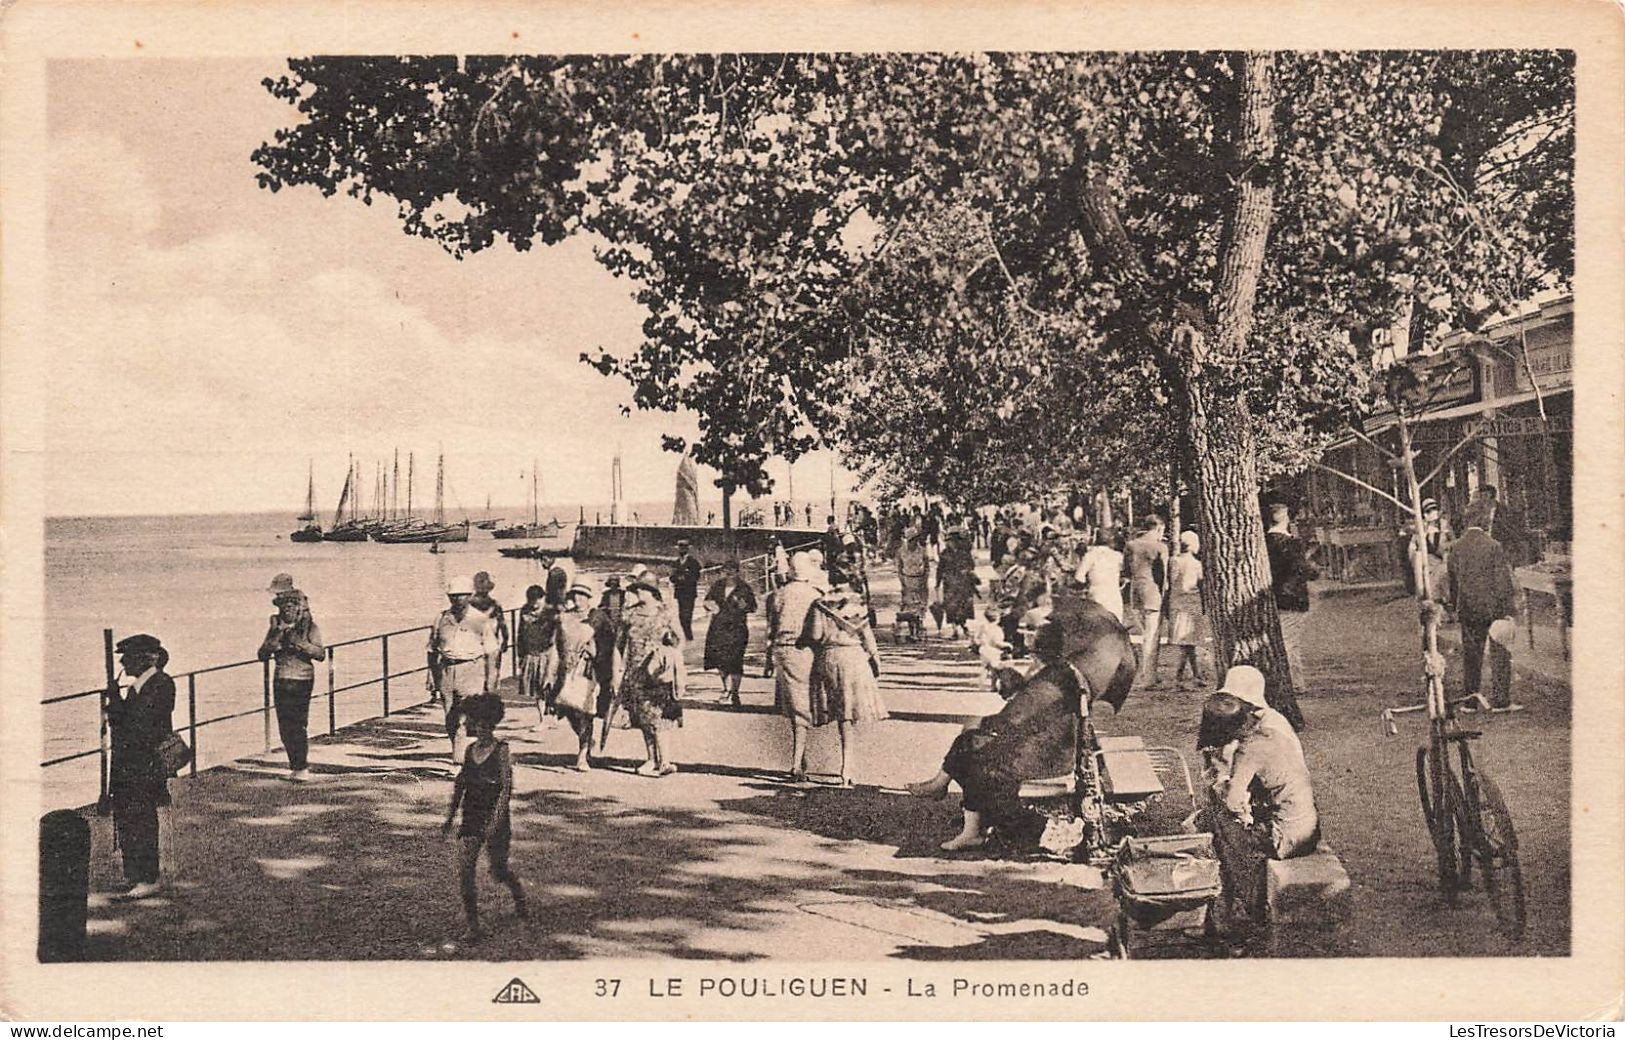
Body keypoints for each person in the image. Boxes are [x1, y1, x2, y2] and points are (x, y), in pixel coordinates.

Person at [907, 604, 1136, 851]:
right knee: (975, 741)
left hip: (1045, 761)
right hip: (1055, 751)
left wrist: (986, 719)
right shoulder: (1065, 674)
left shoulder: (1051, 681)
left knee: (971, 746)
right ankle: (946, 793)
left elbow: (1010, 721)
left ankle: (968, 826)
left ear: (1040, 650)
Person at [1197, 686, 1320, 922]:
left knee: (1218, 822)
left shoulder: (1247, 750)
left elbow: (1233, 803)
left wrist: (1220, 785)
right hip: (1309, 827)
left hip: (1286, 838)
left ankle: (1250, 902)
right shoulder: (1271, 731)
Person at [441, 694, 527, 941]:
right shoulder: (469, 751)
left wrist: (495, 822)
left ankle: (519, 897)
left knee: (498, 871)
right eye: (476, 724)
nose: (480, 729)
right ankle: (473, 925)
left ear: (492, 724)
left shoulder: (502, 751)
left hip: (495, 817)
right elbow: (461, 787)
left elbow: (506, 790)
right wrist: (449, 819)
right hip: (472, 816)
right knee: (465, 871)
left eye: (484, 725)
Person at [798, 573, 888, 786]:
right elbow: (868, 638)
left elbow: (816, 635)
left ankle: (836, 765)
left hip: (830, 657)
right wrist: (876, 660)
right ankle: (847, 766)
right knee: (849, 715)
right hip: (855, 658)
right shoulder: (858, 604)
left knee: (840, 715)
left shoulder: (820, 605)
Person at [105, 633, 176, 898]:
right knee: (128, 817)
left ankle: (147, 877)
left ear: (146, 659)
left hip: (143, 762)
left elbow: (138, 725)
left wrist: (116, 707)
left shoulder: (160, 684)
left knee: (141, 818)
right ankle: (135, 874)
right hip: (131, 762)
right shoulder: (142, 686)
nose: (124, 661)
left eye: (129, 656)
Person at [1448, 500, 1520, 711]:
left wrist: (1456, 606)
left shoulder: (1457, 547)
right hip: (1493, 609)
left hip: (1468, 608)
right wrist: (1508, 611)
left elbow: (1452, 582)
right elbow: (1502, 581)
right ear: (1484, 519)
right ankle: (1500, 701)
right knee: (1500, 654)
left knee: (1471, 656)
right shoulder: (1493, 546)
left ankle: (1470, 701)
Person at [256, 575, 327, 782]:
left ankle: (301, 766)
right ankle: (295, 766)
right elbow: (261, 654)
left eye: (291, 606)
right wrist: (275, 638)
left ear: (298, 607)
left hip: (302, 679)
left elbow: (320, 654)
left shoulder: (310, 627)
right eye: (283, 606)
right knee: (284, 724)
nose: (287, 609)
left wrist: (299, 643)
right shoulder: (275, 626)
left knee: (297, 723)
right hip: (281, 678)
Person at [611, 581, 685, 775]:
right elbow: (618, 647)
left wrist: (670, 659)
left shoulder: (665, 613)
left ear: (652, 592)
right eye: (637, 589)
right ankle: (651, 759)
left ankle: (665, 761)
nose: (638, 592)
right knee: (644, 718)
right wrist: (616, 673)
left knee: (660, 718)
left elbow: (680, 639)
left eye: (642, 589)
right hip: (636, 672)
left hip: (658, 674)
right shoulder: (629, 614)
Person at [427, 575, 497, 764]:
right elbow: (432, 650)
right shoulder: (441, 618)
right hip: (447, 671)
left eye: (461, 595)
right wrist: (432, 677)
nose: (457, 600)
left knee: (463, 720)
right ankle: (459, 751)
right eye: (453, 596)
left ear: (470, 596)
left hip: (471, 670)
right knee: (450, 718)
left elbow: (491, 652)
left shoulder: (479, 619)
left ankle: (459, 762)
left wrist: (490, 682)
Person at [770, 549, 826, 782]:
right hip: (803, 650)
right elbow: (819, 630)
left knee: (792, 705)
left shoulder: (778, 594)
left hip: (780, 650)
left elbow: (772, 626)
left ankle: (800, 757)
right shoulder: (815, 594)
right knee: (803, 704)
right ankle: (796, 764)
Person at [1265, 501, 1318, 690]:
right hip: (1292, 597)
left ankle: (1290, 680)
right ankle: (1294, 683)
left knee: (1282, 639)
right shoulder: (1290, 543)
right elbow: (1303, 570)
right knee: (1290, 642)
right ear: (1285, 518)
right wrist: (1311, 563)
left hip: (1273, 596)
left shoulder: (1264, 542)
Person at [551, 581, 602, 770]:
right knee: (567, 710)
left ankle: (582, 754)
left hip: (586, 669)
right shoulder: (564, 618)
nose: (578, 599)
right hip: (565, 670)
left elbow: (605, 645)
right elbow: (555, 645)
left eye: (583, 595)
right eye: (575, 595)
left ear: (589, 599)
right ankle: (587, 739)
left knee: (584, 711)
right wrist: (551, 672)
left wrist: (593, 652)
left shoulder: (596, 618)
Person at [702, 559, 758, 706]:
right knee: (720, 659)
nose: (728, 573)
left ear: (737, 571)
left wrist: (744, 606)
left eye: (732, 570)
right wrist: (709, 606)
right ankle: (726, 689)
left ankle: (735, 692)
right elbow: (707, 600)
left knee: (735, 660)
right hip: (718, 627)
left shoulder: (744, 588)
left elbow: (753, 607)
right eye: (726, 570)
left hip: (736, 629)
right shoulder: (718, 585)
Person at [1124, 515, 1169, 687]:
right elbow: (1164, 577)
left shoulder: (1131, 545)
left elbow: (1126, 571)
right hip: (1153, 595)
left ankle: (1146, 673)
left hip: (1135, 594)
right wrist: (1165, 597)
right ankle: (1149, 677)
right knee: (1151, 637)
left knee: (1144, 635)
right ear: (1159, 529)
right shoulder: (1160, 547)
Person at [1166, 530, 1207, 689]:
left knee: (1188, 644)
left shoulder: (1173, 561)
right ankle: (1179, 677)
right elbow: (1201, 584)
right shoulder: (1196, 564)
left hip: (1176, 603)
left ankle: (1197, 675)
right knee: (1187, 643)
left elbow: (1170, 583)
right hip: (1192, 604)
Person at [1073, 525, 1125, 624]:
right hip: (1114, 594)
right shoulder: (1118, 556)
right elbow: (1124, 572)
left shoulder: (1090, 555)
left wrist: (1085, 584)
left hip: (1096, 594)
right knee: (1116, 625)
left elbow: (1079, 577)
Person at [938, 525, 980, 641]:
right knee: (951, 608)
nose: (949, 543)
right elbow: (940, 569)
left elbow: (971, 565)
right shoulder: (945, 554)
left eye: (951, 540)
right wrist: (938, 582)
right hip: (950, 584)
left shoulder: (964, 553)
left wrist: (966, 572)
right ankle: (955, 629)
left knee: (962, 606)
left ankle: (963, 625)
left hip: (963, 583)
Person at [468, 572, 511, 676]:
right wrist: (505, 640)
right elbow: (502, 624)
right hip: (492, 643)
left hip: (474, 644)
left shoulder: (469, 604)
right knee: (492, 674)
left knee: (475, 676)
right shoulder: (495, 604)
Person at [894, 525, 929, 642]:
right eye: (911, 540)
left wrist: (925, 579)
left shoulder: (922, 550)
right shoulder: (901, 551)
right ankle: (911, 631)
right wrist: (903, 582)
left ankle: (919, 630)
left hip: (920, 580)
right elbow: (899, 568)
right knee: (909, 607)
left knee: (920, 606)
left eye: (915, 539)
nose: (913, 542)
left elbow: (927, 566)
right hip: (907, 580)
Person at [669, 540, 703, 641]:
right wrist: (678, 578)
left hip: (689, 592)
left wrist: (684, 578)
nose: (681, 549)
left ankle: (688, 634)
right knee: (681, 614)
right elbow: (672, 577)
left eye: (684, 548)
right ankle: (684, 634)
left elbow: (696, 576)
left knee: (687, 614)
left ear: (687, 549)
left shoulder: (693, 562)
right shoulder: (676, 563)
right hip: (680, 592)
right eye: (680, 547)